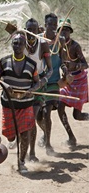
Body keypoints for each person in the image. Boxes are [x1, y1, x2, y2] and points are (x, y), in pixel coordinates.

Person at [0, 31, 45, 174]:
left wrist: (32, 90)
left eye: (20, 43)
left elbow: (37, 83)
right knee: (10, 135)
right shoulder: (3, 61)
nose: (17, 46)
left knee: (25, 134)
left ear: (25, 46)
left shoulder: (31, 64)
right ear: (12, 44)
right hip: (8, 105)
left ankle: (21, 162)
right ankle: (13, 137)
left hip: (26, 105)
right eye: (15, 43)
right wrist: (5, 86)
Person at [57, 19, 89, 146]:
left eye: (66, 30)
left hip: (79, 81)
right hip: (67, 81)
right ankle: (71, 137)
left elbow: (85, 65)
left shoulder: (75, 46)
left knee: (77, 115)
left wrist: (74, 66)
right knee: (60, 106)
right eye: (61, 30)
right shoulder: (57, 46)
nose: (64, 32)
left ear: (70, 32)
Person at [24, 18, 53, 159]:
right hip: (24, 84)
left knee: (32, 118)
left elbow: (50, 69)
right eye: (28, 29)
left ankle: (33, 153)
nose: (30, 33)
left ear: (38, 30)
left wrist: (42, 81)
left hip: (39, 84)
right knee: (26, 119)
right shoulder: (20, 42)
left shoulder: (43, 45)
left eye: (33, 30)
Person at [37, 13, 65, 151]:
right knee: (38, 116)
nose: (53, 27)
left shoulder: (61, 40)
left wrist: (66, 71)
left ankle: (48, 143)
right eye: (50, 24)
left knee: (47, 112)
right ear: (45, 24)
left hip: (54, 81)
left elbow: (63, 60)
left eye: (55, 25)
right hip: (40, 81)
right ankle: (45, 133)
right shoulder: (39, 40)